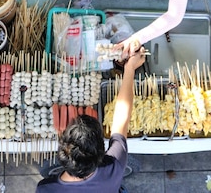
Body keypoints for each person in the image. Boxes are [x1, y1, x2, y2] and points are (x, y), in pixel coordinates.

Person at [36, 48, 146, 192]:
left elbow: (123, 116)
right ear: (102, 151)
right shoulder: (113, 169)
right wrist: (130, 68)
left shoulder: (46, 188)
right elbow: (122, 116)